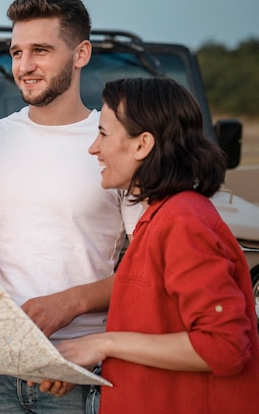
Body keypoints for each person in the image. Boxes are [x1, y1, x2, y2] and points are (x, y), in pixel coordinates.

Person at [0, 0, 144, 412]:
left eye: (40, 51)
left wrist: (72, 302)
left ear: (81, 54)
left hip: (80, 364)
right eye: (16, 52)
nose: (24, 65)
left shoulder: (114, 144)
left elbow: (146, 271)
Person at [53, 77, 259, 413]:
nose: (94, 147)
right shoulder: (160, 218)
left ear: (142, 144)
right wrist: (88, 354)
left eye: (103, 133)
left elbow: (225, 348)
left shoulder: (183, 222)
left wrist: (103, 343)